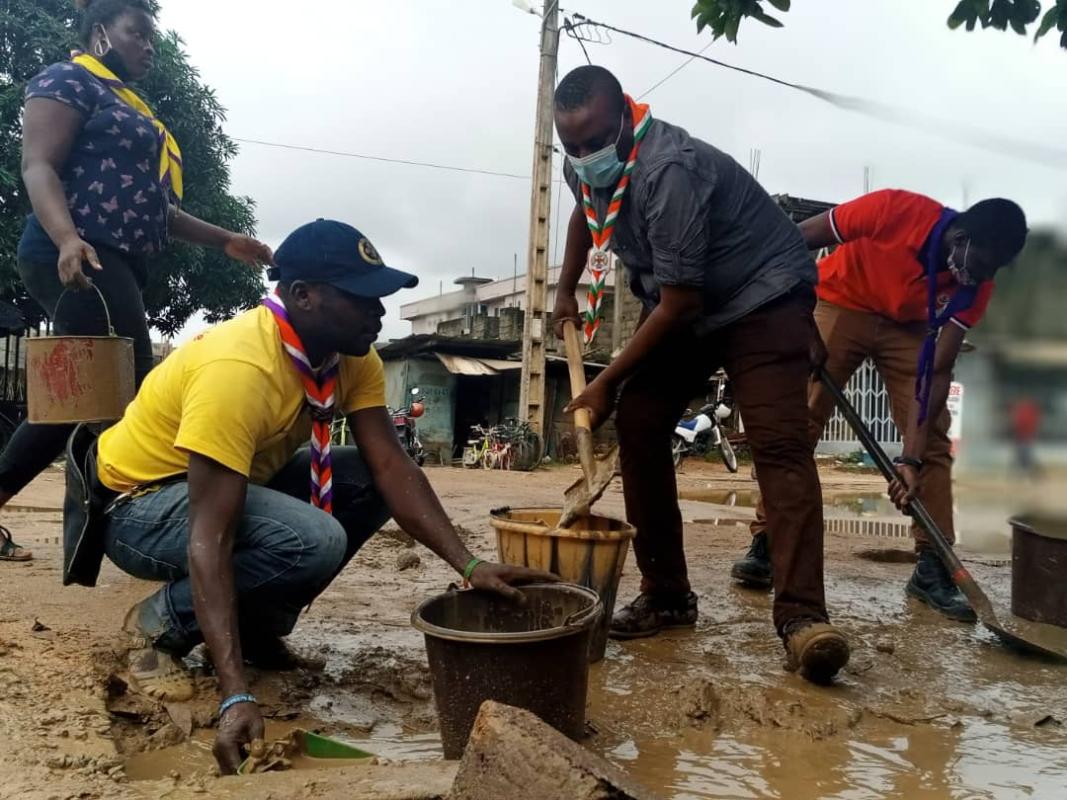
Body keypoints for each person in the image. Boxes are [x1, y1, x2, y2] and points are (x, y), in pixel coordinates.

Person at [67, 219, 555, 774]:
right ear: (302, 295)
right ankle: (160, 623)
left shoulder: (353, 358)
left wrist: (470, 564)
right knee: (313, 540)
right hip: (138, 507)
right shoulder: (239, 369)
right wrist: (234, 693)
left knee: (363, 477)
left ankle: (253, 630)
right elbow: (211, 536)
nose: (379, 312)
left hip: (224, 490)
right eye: (363, 297)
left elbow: (391, 466)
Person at [550, 65, 849, 684]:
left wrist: (605, 381)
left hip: (761, 297)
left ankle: (802, 619)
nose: (583, 157)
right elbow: (585, 213)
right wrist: (564, 292)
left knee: (779, 445)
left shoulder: (668, 170)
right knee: (640, 420)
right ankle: (667, 595)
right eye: (570, 147)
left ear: (626, 117)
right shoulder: (586, 165)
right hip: (692, 303)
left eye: (593, 142)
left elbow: (678, 303)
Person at [0, 0, 272, 562]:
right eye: (138, 33)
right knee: (109, 393)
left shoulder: (129, 105)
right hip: (76, 255)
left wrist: (225, 239)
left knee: (99, 398)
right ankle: (134, 529)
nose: (149, 45)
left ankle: (106, 530)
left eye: (152, 37)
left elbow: (156, 210)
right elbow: (38, 166)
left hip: (114, 260)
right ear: (101, 33)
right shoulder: (68, 80)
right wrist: (68, 238)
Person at [730, 190, 1028, 622]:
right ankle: (769, 541)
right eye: (979, 265)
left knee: (933, 441)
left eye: (991, 271)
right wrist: (794, 315)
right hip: (839, 299)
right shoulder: (893, 209)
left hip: (910, 327)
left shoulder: (975, 287)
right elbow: (792, 241)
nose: (978, 278)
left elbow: (936, 373)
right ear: (960, 238)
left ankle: (932, 566)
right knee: (799, 419)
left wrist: (910, 457)